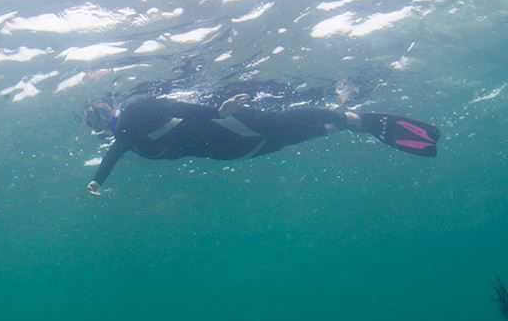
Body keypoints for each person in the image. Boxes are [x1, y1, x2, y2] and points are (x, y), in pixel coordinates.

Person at [83, 90, 440, 196]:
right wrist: (99, 179)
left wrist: (217, 110)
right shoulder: (127, 136)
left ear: (110, 103)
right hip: (232, 137)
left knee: (282, 130)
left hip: (233, 143)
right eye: (93, 119)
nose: (101, 119)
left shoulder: (133, 114)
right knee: (281, 126)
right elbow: (116, 151)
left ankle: (342, 121)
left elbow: (177, 107)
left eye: (98, 111)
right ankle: (346, 119)